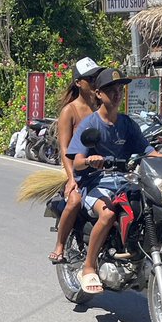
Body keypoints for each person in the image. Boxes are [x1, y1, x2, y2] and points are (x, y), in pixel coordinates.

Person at [66, 68, 162, 295]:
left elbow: (150, 153)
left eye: (120, 89)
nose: (117, 93)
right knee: (108, 213)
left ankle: (136, 252)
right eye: (111, 89)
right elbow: (77, 162)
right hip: (94, 183)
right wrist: (91, 160)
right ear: (98, 93)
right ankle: (89, 266)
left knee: (152, 203)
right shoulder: (90, 124)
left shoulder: (127, 124)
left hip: (124, 180)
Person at [48, 56, 102, 264]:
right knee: (75, 200)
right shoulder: (69, 111)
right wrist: (72, 179)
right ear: (79, 83)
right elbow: (64, 149)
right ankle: (60, 244)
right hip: (77, 169)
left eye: (97, 77)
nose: (95, 82)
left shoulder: (101, 107)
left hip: (101, 168)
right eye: (90, 79)